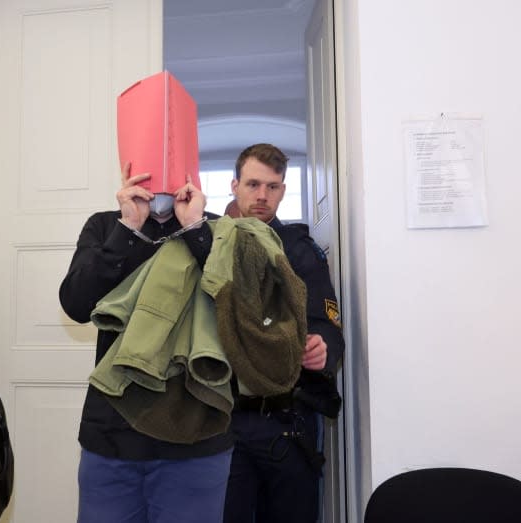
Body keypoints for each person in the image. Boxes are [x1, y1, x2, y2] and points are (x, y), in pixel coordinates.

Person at [59, 164, 233, 523]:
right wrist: (129, 229)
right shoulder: (106, 226)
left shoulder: (219, 229)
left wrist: (196, 231)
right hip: (112, 434)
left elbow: (243, 310)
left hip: (196, 436)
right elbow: (76, 303)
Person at [222, 143, 344, 523]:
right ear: (234, 185)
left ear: (283, 190)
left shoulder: (299, 250)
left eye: (272, 186)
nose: (262, 196)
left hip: (287, 424)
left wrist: (324, 348)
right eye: (253, 184)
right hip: (224, 423)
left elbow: (328, 322)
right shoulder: (212, 245)